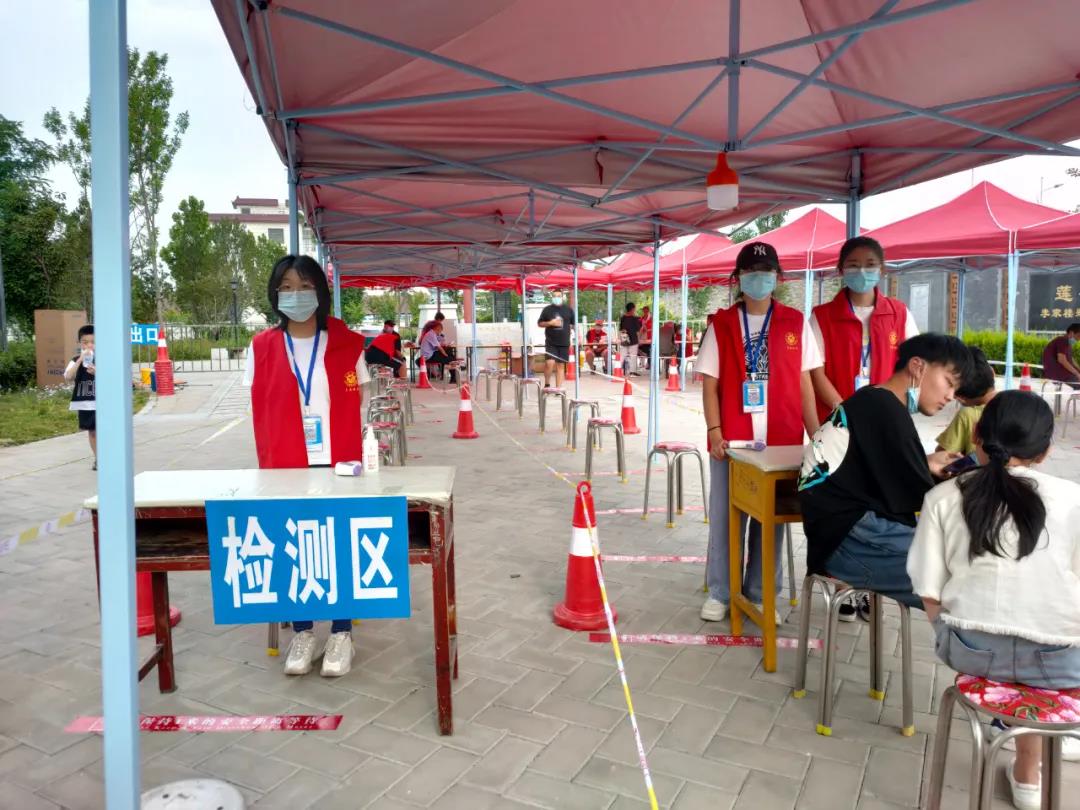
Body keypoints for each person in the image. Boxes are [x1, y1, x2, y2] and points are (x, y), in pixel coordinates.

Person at [908, 391, 1080, 809]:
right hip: (1060, 660)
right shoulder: (1074, 499)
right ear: (1045, 452)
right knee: (1049, 651)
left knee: (1020, 651)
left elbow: (928, 590)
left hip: (970, 652)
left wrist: (961, 632)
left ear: (978, 439)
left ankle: (1019, 745)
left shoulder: (944, 497)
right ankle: (1030, 774)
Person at [244, 254, 369, 678]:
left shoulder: (347, 343)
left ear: (320, 290)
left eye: (304, 286)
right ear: (275, 294)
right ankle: (303, 631)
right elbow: (259, 408)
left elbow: (361, 400)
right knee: (295, 548)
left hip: (339, 464)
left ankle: (341, 633)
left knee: (338, 549)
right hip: (286, 465)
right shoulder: (261, 347)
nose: (296, 296)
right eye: (287, 287)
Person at [696, 241, 823, 622]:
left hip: (782, 441)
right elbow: (709, 384)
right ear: (738, 279)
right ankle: (722, 591)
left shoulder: (795, 323)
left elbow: (805, 383)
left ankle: (762, 593)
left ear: (778, 278)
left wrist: (816, 436)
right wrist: (714, 430)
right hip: (733, 441)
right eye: (751, 273)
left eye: (766, 272)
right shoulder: (721, 324)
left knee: (774, 520)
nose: (759, 279)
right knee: (726, 517)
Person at [798, 334, 971, 611]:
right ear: (918, 366)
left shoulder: (874, 400)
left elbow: (884, 468)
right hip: (850, 541)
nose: (950, 396)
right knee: (965, 575)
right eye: (949, 382)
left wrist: (925, 463)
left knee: (962, 565)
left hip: (839, 535)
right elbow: (919, 494)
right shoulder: (885, 410)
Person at [810, 237, 919, 423]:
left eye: (870, 265)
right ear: (840, 270)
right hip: (838, 418)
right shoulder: (821, 316)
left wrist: (898, 405)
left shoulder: (899, 313)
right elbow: (816, 371)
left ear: (882, 269)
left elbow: (914, 364)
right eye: (853, 265)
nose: (861, 271)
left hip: (887, 414)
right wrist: (843, 409)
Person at [935, 347, 997, 456]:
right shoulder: (1016, 405)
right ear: (992, 372)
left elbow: (942, 455)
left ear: (959, 397)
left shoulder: (967, 415)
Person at [64, 324, 96, 469]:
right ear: (80, 343)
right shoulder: (76, 359)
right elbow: (68, 377)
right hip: (85, 402)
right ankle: (98, 458)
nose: (89, 345)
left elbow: (113, 379)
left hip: (104, 401)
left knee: (106, 430)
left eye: (93, 342)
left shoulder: (106, 358)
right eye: (85, 342)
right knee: (92, 431)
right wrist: (79, 360)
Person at [537, 290, 575, 387]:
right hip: (551, 342)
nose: (557, 298)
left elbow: (573, 324)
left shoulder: (569, 310)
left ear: (562, 297)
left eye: (559, 296)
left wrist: (574, 337)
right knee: (550, 363)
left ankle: (558, 389)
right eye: (555, 296)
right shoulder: (547, 310)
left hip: (564, 342)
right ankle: (547, 383)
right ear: (552, 297)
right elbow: (540, 323)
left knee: (560, 365)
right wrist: (550, 323)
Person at [1040, 322, 1080, 387]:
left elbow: (1071, 359)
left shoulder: (1067, 344)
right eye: (1078, 336)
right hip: (1058, 374)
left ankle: (1074, 396)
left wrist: (1078, 370)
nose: (1078, 339)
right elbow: (1062, 359)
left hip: (1061, 374)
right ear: (1072, 333)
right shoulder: (1062, 340)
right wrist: (1076, 373)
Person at [619, 302, 642, 376]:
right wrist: (639, 340)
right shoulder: (635, 318)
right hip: (633, 339)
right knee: (633, 356)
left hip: (624, 339)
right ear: (632, 309)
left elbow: (621, 329)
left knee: (622, 355)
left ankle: (618, 370)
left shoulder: (623, 318)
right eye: (634, 309)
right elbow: (638, 331)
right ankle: (632, 372)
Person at [638, 305, 653, 370]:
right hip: (642, 336)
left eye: (645, 310)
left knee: (650, 349)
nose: (644, 312)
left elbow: (653, 328)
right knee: (637, 347)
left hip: (650, 337)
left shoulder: (652, 319)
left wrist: (646, 329)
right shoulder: (641, 318)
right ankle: (642, 361)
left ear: (648, 310)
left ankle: (649, 363)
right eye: (643, 310)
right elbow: (638, 327)